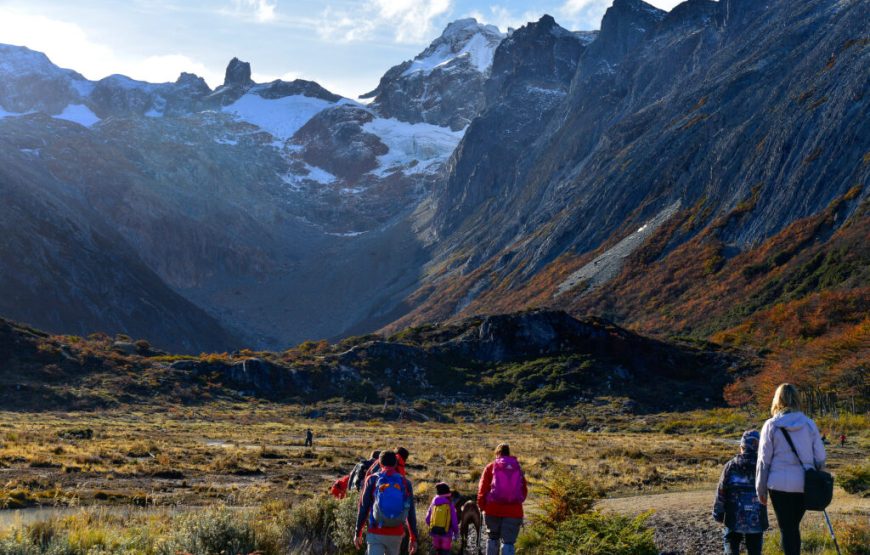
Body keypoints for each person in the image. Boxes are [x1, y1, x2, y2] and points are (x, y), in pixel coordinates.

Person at [756, 383, 826, 555]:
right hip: (804, 484)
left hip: (778, 484)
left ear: (777, 400)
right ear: (796, 398)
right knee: (793, 526)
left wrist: (760, 488)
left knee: (787, 528)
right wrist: (819, 480)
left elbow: (764, 461)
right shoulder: (809, 424)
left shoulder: (771, 425)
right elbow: (820, 457)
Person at [713, 430, 768, 555]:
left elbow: (721, 492)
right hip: (757, 518)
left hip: (733, 517)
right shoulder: (763, 467)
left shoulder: (730, 466)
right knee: (754, 548)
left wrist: (718, 513)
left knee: (731, 541)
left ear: (742, 447)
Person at [355, 450, 418, 555]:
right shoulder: (405, 482)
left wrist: (358, 532)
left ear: (379, 463)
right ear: (395, 463)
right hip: (396, 534)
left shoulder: (372, 479)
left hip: (376, 532)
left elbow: (363, 507)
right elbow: (410, 512)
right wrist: (413, 537)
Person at [477, 443, 527, 555]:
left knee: (492, 539)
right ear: (508, 453)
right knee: (508, 542)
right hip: (514, 511)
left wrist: (482, 506)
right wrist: (516, 502)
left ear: (497, 453)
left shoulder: (490, 467)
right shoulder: (517, 467)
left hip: (492, 509)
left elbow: (482, 490)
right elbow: (524, 490)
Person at [426, 482, 459, 555]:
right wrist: (456, 532)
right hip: (446, 535)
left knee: (437, 552)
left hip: (435, 534)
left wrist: (434, 526)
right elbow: (454, 521)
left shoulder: (433, 503)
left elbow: (427, 519)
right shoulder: (450, 504)